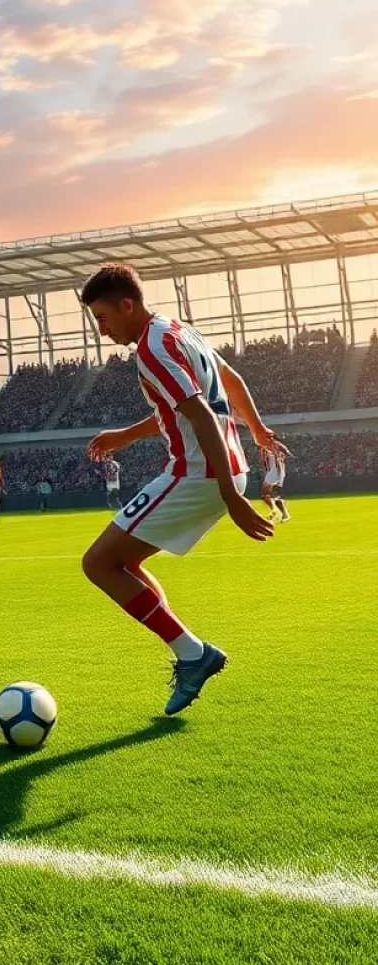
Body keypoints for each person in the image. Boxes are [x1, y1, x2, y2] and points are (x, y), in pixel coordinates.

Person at [78, 264, 281, 717]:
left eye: (103, 317)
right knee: (120, 563)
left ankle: (192, 655)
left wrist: (231, 497)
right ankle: (190, 652)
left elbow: (203, 417)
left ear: (127, 305)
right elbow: (228, 383)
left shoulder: (151, 349)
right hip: (215, 470)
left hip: (200, 474)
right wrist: (258, 430)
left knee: (98, 563)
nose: (101, 328)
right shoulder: (178, 330)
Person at [261, 447, 290, 523]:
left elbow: (280, 465)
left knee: (266, 495)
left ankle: (276, 512)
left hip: (274, 474)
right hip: (271, 473)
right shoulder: (266, 449)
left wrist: (280, 481)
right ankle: (283, 514)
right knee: (271, 497)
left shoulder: (275, 450)